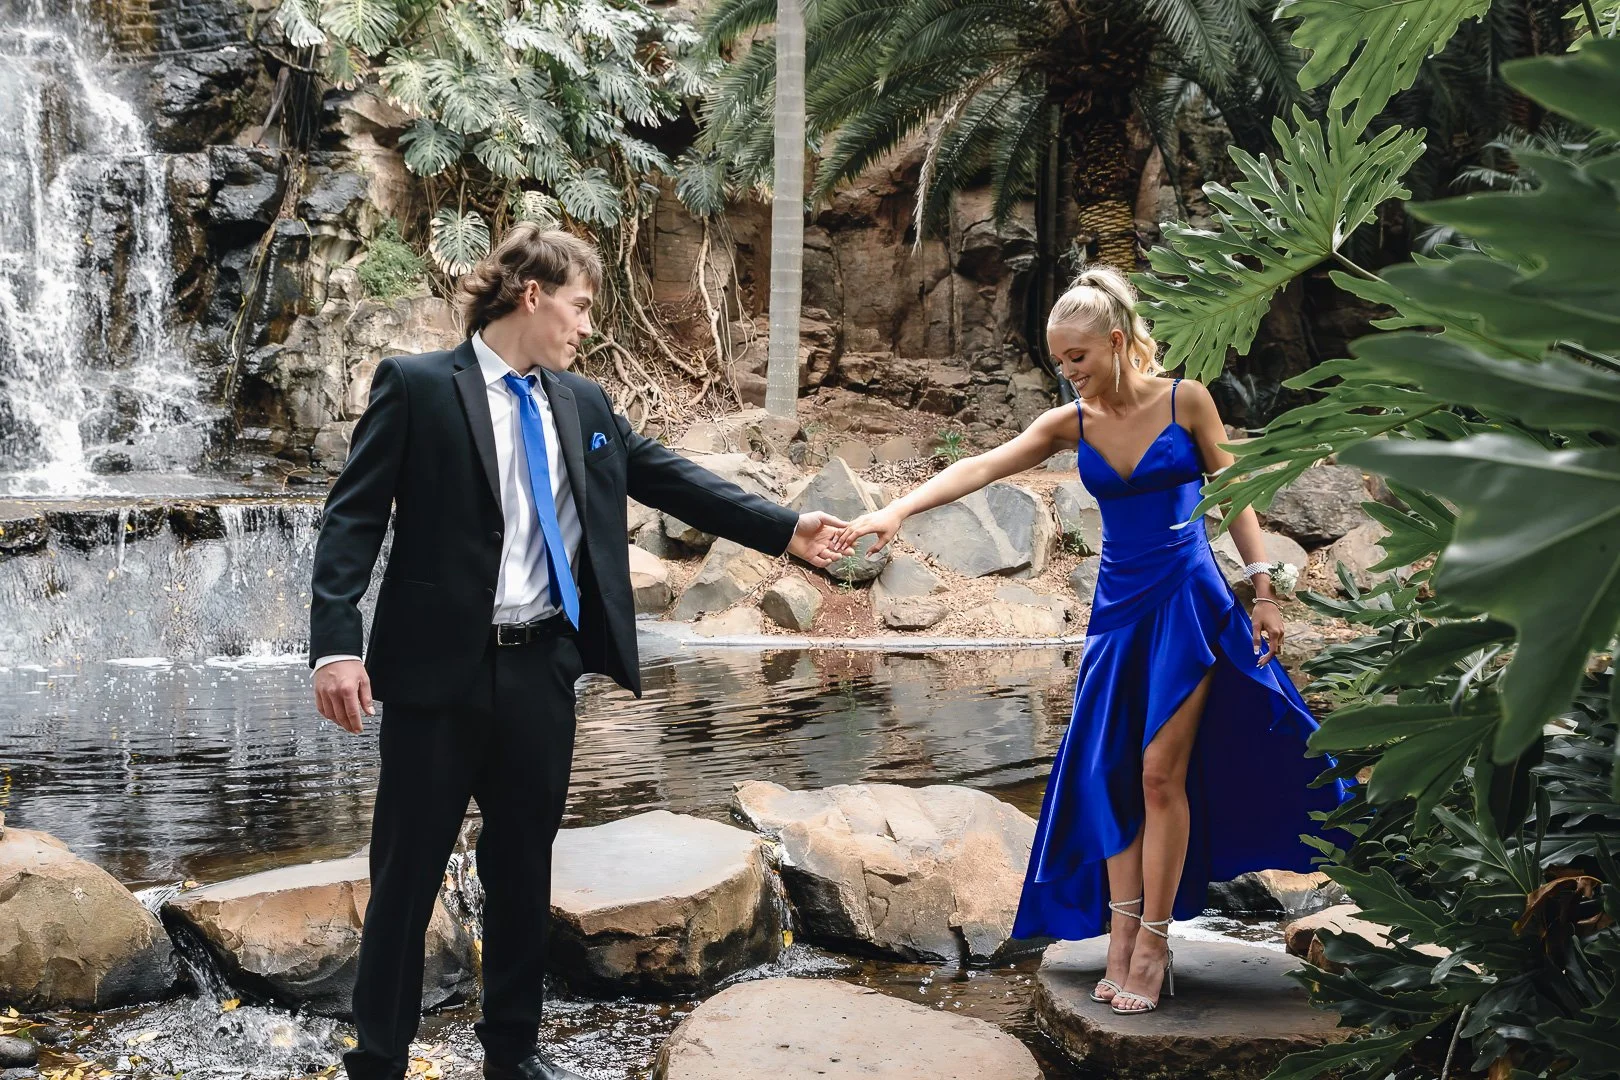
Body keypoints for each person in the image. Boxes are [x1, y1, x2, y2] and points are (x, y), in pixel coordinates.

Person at [309, 224, 850, 1080]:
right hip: (435, 677)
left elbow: (671, 477)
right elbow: (353, 517)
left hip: (540, 670)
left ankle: (512, 1055)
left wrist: (786, 528)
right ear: (533, 295)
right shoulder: (416, 387)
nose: (587, 326)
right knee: (406, 874)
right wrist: (336, 644)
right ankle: (378, 1058)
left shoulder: (583, 403)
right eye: (581, 305)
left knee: (524, 867)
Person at [835, 266, 1346, 1015]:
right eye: (1058, 361)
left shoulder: (1186, 400)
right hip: (1115, 615)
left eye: (1077, 356)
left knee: (1159, 777)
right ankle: (1120, 932)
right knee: (1111, 777)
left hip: (1189, 604)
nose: (1068, 371)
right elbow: (982, 464)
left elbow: (1236, 498)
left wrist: (1264, 590)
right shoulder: (1068, 423)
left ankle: (1155, 941)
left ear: (1114, 341)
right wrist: (896, 511)